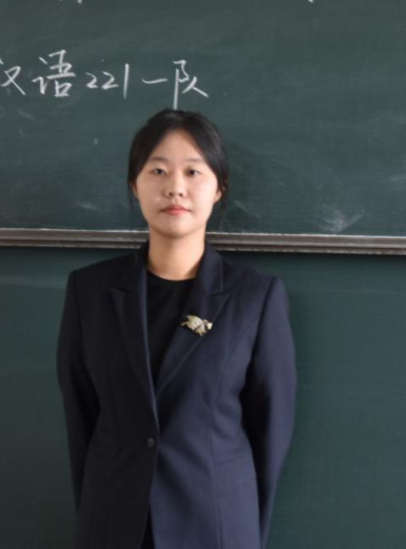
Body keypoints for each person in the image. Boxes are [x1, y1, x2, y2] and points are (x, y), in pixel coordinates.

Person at [57, 109, 297, 549]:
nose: (175, 187)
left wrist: (244, 530)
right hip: (112, 522)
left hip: (216, 524)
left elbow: (271, 431)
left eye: (193, 171)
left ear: (219, 188)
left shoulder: (255, 298)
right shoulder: (89, 292)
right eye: (158, 170)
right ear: (135, 184)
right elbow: (82, 419)